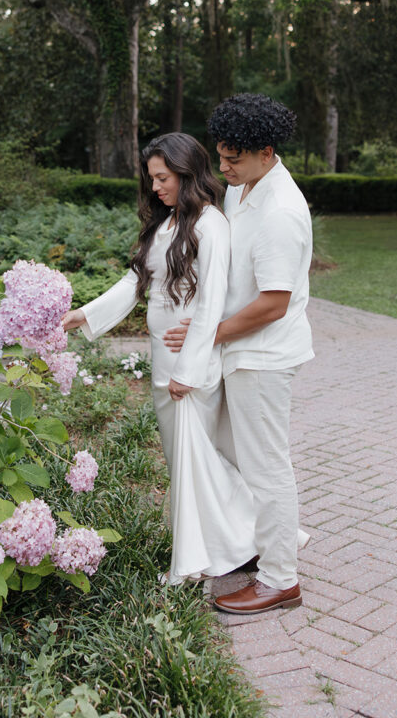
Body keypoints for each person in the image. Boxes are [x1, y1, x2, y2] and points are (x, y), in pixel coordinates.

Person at [62, 132, 259, 584]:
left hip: (190, 363)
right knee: (182, 457)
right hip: (162, 361)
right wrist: (83, 316)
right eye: (151, 179)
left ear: (187, 173)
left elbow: (210, 302)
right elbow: (137, 282)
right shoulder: (167, 223)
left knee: (195, 457)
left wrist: (189, 369)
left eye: (162, 177)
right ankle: (234, 541)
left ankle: (230, 545)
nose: (155, 187)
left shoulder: (211, 224)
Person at [164, 93, 313, 615]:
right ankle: (255, 549)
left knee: (268, 467)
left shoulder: (281, 211)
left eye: (233, 159)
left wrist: (208, 336)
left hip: (263, 357)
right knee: (241, 460)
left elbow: (273, 303)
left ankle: (280, 579)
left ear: (266, 151)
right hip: (239, 352)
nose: (222, 167)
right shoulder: (242, 190)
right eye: (220, 155)